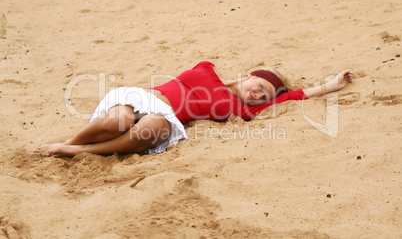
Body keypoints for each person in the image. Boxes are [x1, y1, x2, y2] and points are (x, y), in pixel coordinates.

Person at [31, 61, 353, 157]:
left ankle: (77, 152)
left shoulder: (243, 110)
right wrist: (232, 82)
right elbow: (218, 81)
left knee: (154, 129)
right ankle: (72, 142)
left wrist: (332, 84)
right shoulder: (208, 69)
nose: (258, 94)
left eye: (264, 95)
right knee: (120, 118)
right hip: (143, 97)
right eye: (259, 85)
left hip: (166, 115)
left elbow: (294, 96)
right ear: (249, 76)